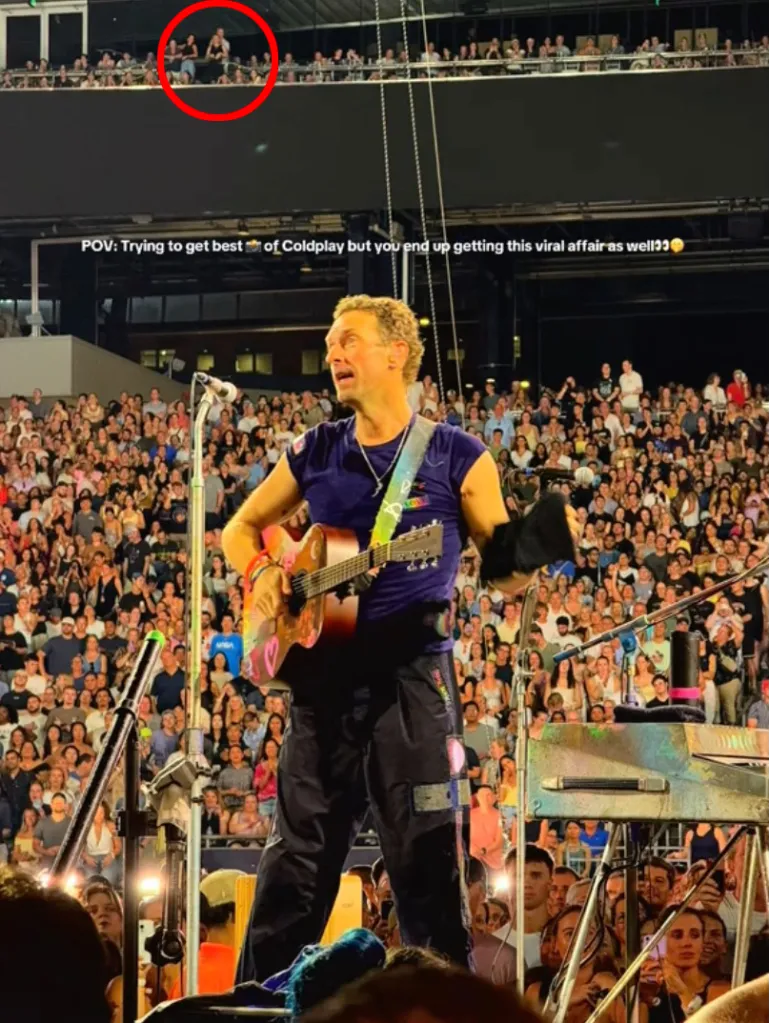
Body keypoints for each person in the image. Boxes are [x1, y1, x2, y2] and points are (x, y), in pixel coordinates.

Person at [222, 295, 578, 982]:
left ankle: (439, 1007)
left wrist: (535, 544)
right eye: (329, 344)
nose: (333, 354)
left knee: (423, 861)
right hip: (321, 685)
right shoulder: (317, 449)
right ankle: (253, 1005)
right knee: (295, 861)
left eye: (348, 340)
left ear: (396, 352)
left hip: (413, 684)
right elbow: (239, 528)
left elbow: (500, 571)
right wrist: (266, 569)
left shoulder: (454, 455)